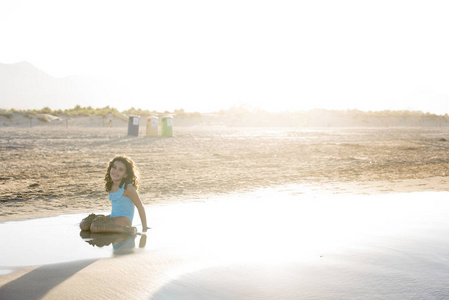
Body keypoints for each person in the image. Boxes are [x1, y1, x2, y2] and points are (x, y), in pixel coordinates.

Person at [80, 155, 148, 235]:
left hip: (124, 221)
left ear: (126, 174)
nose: (116, 171)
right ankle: (109, 226)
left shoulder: (128, 188)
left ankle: (129, 230)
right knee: (84, 225)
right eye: (114, 167)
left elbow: (140, 207)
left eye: (121, 170)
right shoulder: (111, 185)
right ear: (110, 168)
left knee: (95, 227)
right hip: (114, 217)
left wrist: (144, 227)